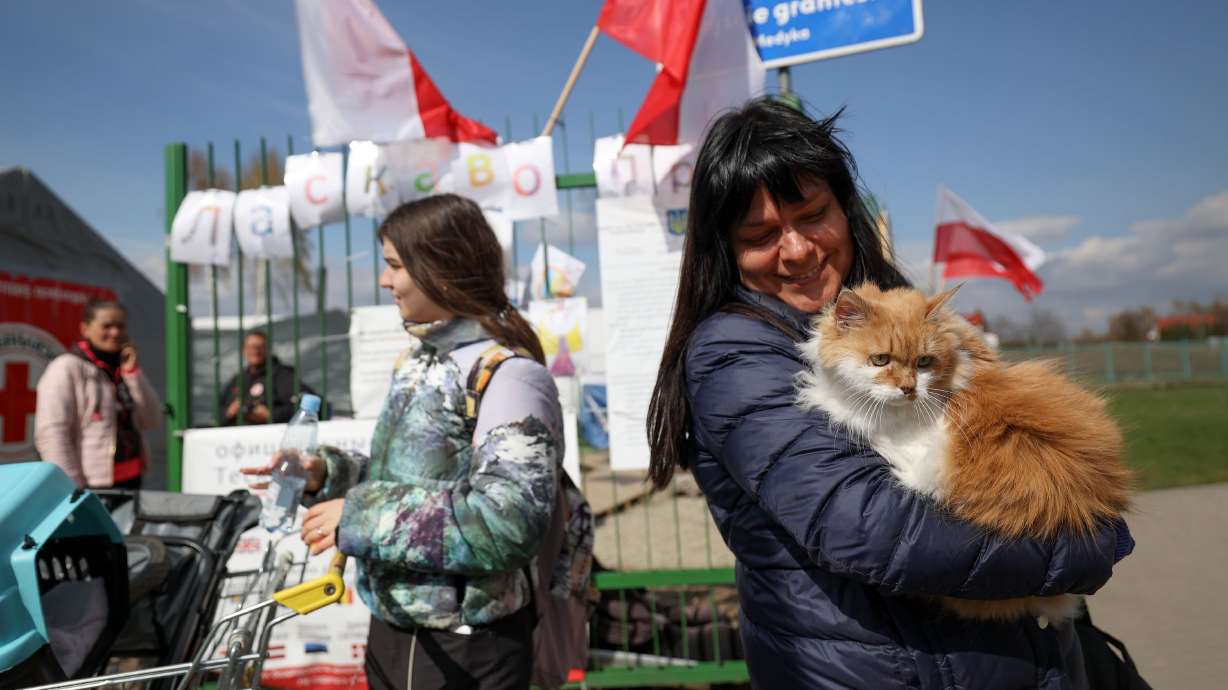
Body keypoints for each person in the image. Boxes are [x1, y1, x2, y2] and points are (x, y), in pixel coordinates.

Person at [645, 97, 1134, 690]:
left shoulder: (891, 306)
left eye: (814, 214)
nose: (797, 249)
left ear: (846, 208)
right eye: (761, 233)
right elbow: (874, 529)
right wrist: (1073, 552)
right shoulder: (733, 353)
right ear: (726, 246)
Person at [244, 194, 563, 690]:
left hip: (467, 646)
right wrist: (327, 474)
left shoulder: (509, 376)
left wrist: (360, 516)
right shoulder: (417, 361)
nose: (384, 280)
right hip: (396, 629)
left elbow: (507, 523)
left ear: (442, 267)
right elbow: (410, 479)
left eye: (394, 265)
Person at [35, 298, 162, 489]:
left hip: (132, 480)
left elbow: (152, 420)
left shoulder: (124, 370)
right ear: (85, 329)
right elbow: (52, 433)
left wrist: (133, 374)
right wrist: (71, 487)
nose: (115, 332)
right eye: (107, 326)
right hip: (92, 486)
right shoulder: (67, 368)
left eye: (120, 326)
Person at [218, 330, 315, 425]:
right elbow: (218, 410)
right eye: (251, 347)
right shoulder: (239, 379)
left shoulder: (282, 375)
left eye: (260, 347)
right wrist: (230, 412)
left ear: (268, 349)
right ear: (243, 350)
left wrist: (271, 415)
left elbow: (307, 404)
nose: (255, 351)